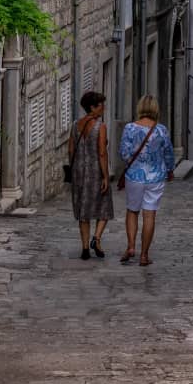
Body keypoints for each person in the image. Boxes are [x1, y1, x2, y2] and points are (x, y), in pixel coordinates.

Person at [118, 94, 175, 266]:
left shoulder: (129, 128)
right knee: (149, 215)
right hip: (155, 177)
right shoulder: (161, 130)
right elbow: (168, 153)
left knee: (132, 211)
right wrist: (170, 170)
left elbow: (124, 154)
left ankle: (130, 247)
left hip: (134, 176)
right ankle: (144, 255)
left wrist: (134, 162)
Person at [68, 90, 113, 260]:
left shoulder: (75, 125)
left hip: (79, 172)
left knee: (83, 210)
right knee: (104, 207)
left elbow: (71, 149)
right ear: (93, 107)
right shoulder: (100, 127)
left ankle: (85, 248)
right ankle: (97, 238)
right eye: (101, 105)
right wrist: (105, 176)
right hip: (95, 171)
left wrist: (75, 168)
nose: (103, 108)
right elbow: (102, 152)